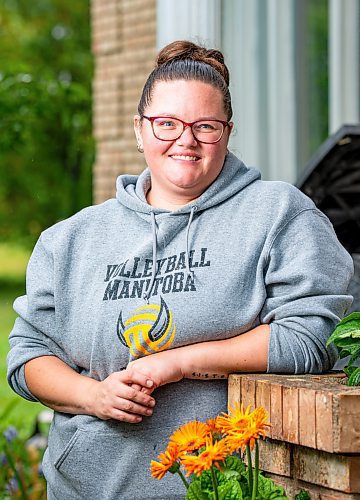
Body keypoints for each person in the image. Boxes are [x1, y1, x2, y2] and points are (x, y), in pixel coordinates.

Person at [7, 40, 353, 499]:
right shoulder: (71, 239)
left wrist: (178, 363)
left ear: (227, 132)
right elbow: (29, 356)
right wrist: (94, 396)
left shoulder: (278, 215)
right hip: (84, 488)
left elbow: (311, 339)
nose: (185, 141)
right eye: (166, 124)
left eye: (204, 126)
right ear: (139, 130)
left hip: (219, 487)